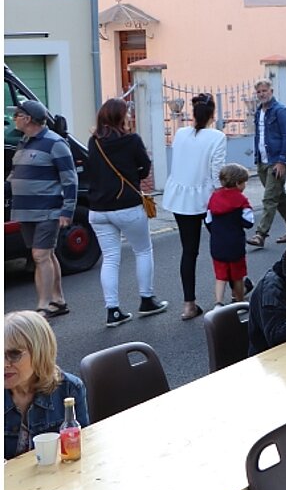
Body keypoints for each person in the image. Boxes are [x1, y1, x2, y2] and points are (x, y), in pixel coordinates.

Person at [86, 97, 167, 328]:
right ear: (121, 117)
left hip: (98, 210)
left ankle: (112, 310)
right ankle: (146, 299)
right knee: (142, 250)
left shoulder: (94, 142)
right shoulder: (132, 140)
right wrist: (133, 174)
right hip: (127, 206)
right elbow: (145, 168)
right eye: (127, 112)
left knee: (110, 258)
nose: (130, 115)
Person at [161, 93, 227, 321]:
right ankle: (240, 283)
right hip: (206, 197)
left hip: (180, 197)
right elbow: (217, 171)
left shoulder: (180, 134)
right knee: (223, 242)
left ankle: (189, 304)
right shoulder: (217, 136)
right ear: (213, 114)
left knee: (189, 251)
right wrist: (224, 193)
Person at [7, 101, 75, 319]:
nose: (14, 118)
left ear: (27, 119)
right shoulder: (24, 142)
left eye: (17, 115)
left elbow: (70, 179)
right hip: (25, 210)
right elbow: (16, 173)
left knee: (40, 255)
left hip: (47, 209)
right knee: (47, 254)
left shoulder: (55, 143)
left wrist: (67, 210)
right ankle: (59, 300)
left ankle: (43, 306)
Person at [4, 310, 88, 461]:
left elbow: (84, 446)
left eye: (14, 354)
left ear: (40, 352)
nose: (4, 363)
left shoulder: (69, 389)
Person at [248, 78, 286, 248]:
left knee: (269, 198)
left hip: (276, 160)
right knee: (280, 196)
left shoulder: (280, 111)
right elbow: (259, 136)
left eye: (264, 91)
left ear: (271, 91)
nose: (262, 94)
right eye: (259, 92)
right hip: (263, 160)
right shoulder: (259, 112)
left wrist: (283, 161)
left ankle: (260, 234)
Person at [205, 163, 254, 309]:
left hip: (217, 243)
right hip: (235, 244)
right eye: (244, 182)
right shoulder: (241, 200)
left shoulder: (214, 197)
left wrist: (216, 231)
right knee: (237, 276)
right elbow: (249, 222)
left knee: (220, 276)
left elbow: (208, 220)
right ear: (238, 183)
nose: (245, 185)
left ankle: (218, 303)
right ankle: (239, 303)